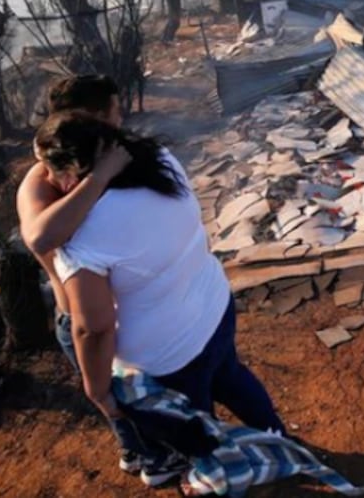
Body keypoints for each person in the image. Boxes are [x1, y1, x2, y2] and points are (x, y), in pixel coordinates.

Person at [35, 113, 288, 487]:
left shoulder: (83, 241)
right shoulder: (159, 160)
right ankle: (276, 438)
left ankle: (218, 476)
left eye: (48, 172)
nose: (47, 182)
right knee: (231, 377)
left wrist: (97, 389)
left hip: (169, 356)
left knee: (193, 427)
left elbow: (93, 328)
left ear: (71, 175)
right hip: (213, 309)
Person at [16, 75, 142, 472]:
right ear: (89, 118)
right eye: (114, 113)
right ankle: (141, 453)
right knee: (115, 402)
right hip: (80, 317)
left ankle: (154, 448)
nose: (120, 120)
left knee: (136, 397)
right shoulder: (44, 178)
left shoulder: (96, 160)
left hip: (115, 311)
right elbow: (40, 236)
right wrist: (99, 178)